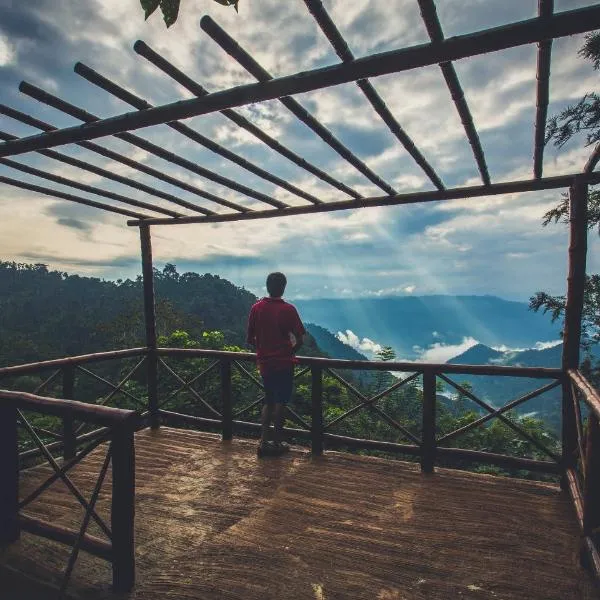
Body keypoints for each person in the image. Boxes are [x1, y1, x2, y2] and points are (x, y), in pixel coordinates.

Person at [247, 272, 305, 457]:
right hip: (284, 363)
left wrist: (263, 350)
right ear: (283, 287)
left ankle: (263, 441)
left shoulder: (257, 308)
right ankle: (278, 442)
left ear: (267, 286)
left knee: (268, 400)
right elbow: (300, 339)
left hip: (264, 363)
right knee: (281, 402)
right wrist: (289, 352)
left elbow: (250, 338)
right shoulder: (289, 310)